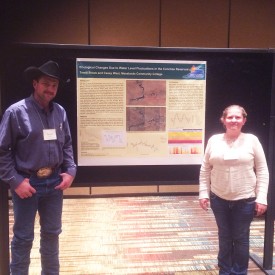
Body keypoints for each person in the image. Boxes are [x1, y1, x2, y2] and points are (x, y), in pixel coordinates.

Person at [0, 60, 77, 275]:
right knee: (23, 239)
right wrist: (15, 181)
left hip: (54, 185)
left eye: (54, 85)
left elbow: (68, 143)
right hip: (28, 184)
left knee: (52, 236)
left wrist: (70, 171)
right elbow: (2, 151)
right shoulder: (16, 112)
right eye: (46, 84)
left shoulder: (60, 112)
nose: (50, 89)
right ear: (35, 83)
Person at [199, 105, 269, 275]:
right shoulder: (214, 140)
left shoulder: (252, 140)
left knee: (240, 238)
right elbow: (205, 169)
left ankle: (239, 272)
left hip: (245, 200)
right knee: (224, 236)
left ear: (244, 120)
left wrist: (261, 198)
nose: (234, 120)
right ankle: (224, 270)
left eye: (238, 117)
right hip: (219, 199)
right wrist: (203, 192)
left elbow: (262, 170)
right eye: (230, 117)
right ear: (223, 120)